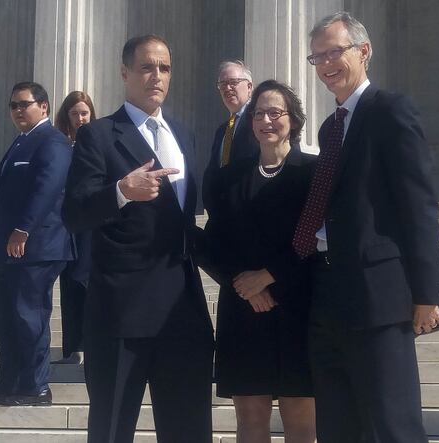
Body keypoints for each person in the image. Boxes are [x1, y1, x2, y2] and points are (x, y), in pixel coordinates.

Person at [293, 12, 439, 442]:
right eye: (316, 57)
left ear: (364, 51)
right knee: (339, 424)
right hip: (328, 295)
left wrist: (425, 292)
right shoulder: (329, 127)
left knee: (391, 423)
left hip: (379, 298)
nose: (325, 64)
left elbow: (418, 204)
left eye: (334, 52)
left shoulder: (390, 110)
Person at [62, 35, 214, 443]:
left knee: (189, 429)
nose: (157, 76)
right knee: (112, 430)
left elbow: (183, 225)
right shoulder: (98, 135)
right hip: (121, 314)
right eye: (147, 67)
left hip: (182, 312)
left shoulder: (183, 135)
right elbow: (74, 213)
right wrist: (120, 191)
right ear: (125, 73)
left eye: (164, 67)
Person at [204, 80, 316, 443]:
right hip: (244, 311)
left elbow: (319, 240)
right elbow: (212, 242)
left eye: (275, 112)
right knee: (250, 419)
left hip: (299, 307)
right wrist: (243, 282)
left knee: (300, 420)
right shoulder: (230, 177)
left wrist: (269, 276)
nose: (266, 120)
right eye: (258, 114)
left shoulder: (312, 174)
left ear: (294, 121)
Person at [0, 81, 73, 406]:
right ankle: (8, 385)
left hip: (37, 246)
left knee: (28, 314)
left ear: (43, 106)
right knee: (6, 317)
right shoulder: (20, 143)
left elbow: (47, 188)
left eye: (24, 104)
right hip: (8, 252)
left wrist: (23, 230)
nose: (17, 110)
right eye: (13, 105)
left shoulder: (52, 142)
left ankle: (35, 386)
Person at [52, 91, 97, 364]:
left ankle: (93, 344)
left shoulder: (101, 144)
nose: (80, 118)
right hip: (68, 227)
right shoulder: (61, 148)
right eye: (75, 114)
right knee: (69, 284)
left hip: (92, 227)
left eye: (84, 113)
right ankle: (72, 348)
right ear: (66, 118)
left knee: (88, 283)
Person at [202, 60, 259, 210]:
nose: (227, 88)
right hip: (222, 217)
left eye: (233, 82)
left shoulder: (261, 120)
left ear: (249, 87)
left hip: (250, 213)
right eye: (222, 84)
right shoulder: (223, 130)